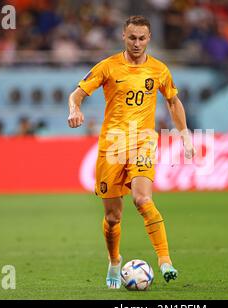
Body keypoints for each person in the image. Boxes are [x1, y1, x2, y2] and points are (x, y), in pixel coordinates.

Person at [67, 15, 195, 289]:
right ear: (123, 37)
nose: (137, 43)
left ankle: (164, 261)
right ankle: (114, 261)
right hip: (112, 145)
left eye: (142, 38)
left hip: (143, 142)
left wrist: (185, 136)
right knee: (113, 218)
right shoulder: (108, 67)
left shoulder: (159, 70)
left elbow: (173, 102)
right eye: (132, 38)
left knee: (142, 200)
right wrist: (74, 109)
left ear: (149, 39)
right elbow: (77, 94)